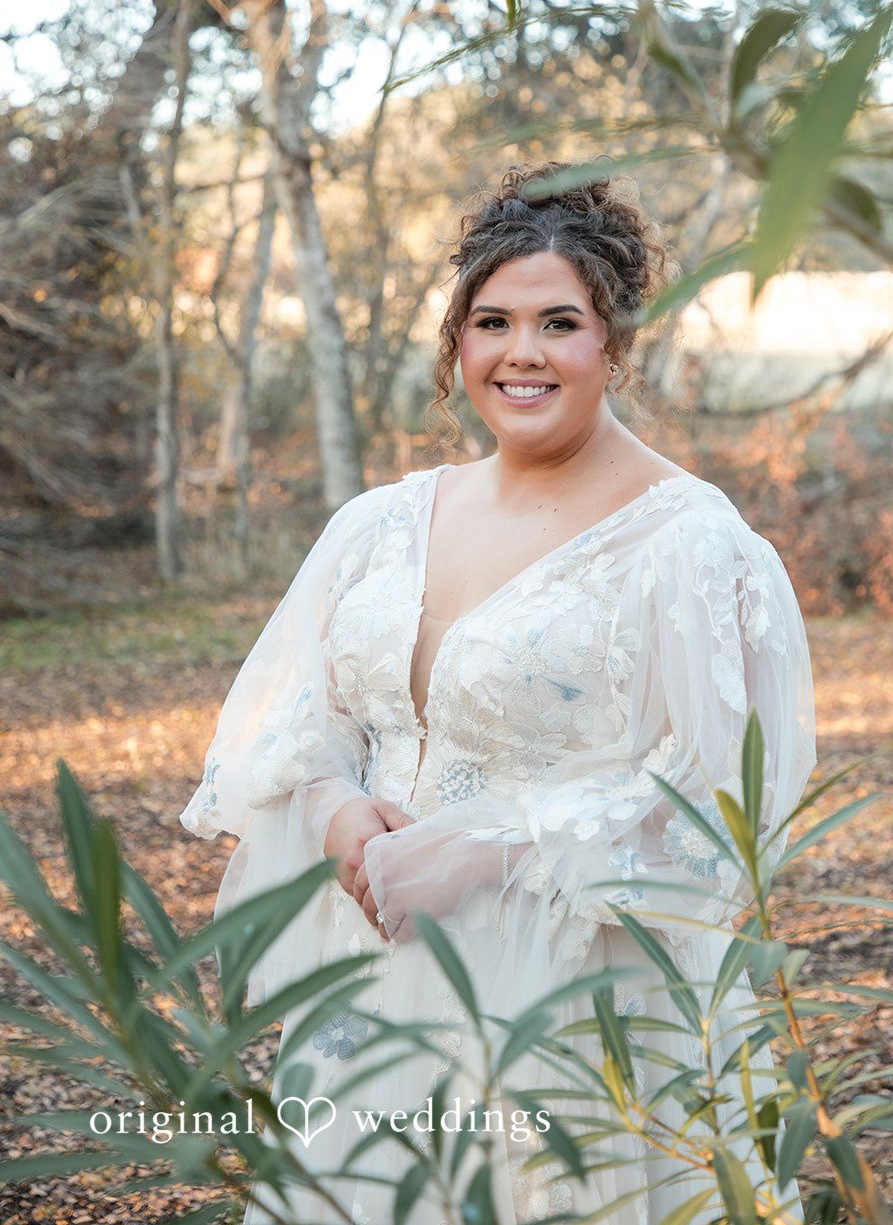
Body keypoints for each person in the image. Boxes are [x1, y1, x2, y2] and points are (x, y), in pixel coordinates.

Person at [181, 162, 818, 1225]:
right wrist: (338, 810)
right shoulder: (380, 524)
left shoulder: (690, 545)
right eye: (492, 321)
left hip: (572, 1003)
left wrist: (493, 847)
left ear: (611, 343)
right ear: (457, 345)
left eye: (558, 322)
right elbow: (296, 715)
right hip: (370, 985)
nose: (521, 352)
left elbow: (723, 796)